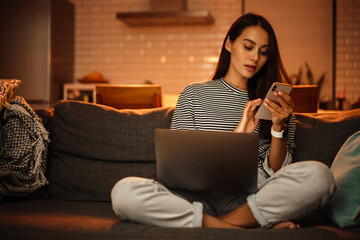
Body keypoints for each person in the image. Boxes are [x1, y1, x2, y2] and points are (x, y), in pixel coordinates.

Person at [111, 13, 335, 229]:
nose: (255, 57)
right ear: (229, 44)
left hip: (250, 197)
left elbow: (277, 173)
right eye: (248, 47)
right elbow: (176, 167)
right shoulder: (193, 94)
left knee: (320, 176)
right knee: (124, 192)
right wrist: (238, 137)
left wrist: (278, 127)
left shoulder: (277, 104)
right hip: (193, 196)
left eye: (263, 52)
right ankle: (245, 227)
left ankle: (218, 224)